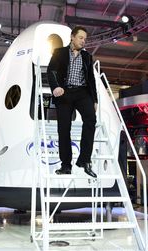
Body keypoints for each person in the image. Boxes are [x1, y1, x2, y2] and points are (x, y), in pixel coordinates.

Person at [47, 26, 98, 178]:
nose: (84, 41)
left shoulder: (87, 57)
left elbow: (91, 79)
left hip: (82, 93)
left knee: (90, 120)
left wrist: (94, 99)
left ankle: (84, 160)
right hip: (65, 93)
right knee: (64, 128)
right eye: (81, 38)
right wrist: (55, 87)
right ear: (72, 37)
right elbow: (51, 71)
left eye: (85, 39)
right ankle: (66, 165)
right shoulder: (59, 52)